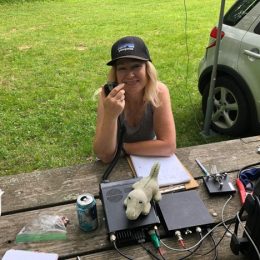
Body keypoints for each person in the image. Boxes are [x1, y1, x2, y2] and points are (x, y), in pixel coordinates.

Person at [93, 36, 176, 163]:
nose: (130, 74)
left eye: (136, 66)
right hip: (121, 162)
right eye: (122, 68)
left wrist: (122, 148)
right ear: (115, 73)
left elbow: (168, 146)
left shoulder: (159, 92)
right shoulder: (108, 96)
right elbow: (104, 155)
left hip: (147, 158)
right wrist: (111, 115)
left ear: (147, 69)